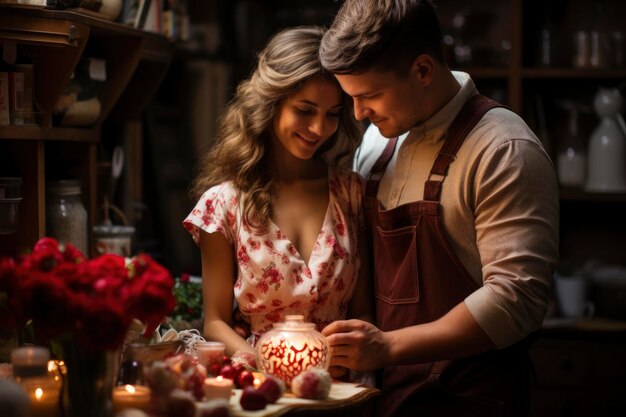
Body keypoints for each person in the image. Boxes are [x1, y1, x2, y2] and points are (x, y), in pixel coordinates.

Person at [318, 1, 559, 416]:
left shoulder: (502, 149)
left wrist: (388, 347)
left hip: (469, 398)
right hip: (384, 395)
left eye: (370, 95)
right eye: (351, 98)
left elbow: (517, 299)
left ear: (423, 70)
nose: (358, 114)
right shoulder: (376, 144)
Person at [183, 26, 372, 358]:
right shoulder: (223, 205)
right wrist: (265, 367)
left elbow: (363, 313)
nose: (318, 129)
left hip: (343, 385)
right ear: (272, 103)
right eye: (305, 110)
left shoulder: (352, 193)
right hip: (262, 389)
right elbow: (214, 321)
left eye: (332, 115)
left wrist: (347, 362)